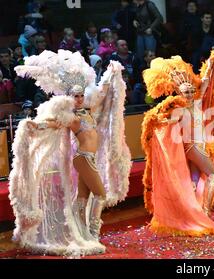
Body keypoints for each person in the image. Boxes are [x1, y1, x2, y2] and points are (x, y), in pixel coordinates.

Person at [10, 50, 132, 256]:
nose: (78, 98)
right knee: (100, 194)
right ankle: (93, 233)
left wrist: (112, 74)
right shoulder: (72, 117)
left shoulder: (89, 111)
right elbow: (54, 123)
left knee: (82, 198)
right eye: (75, 96)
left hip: (89, 158)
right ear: (69, 97)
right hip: (83, 158)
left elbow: (102, 94)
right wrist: (34, 125)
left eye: (81, 95)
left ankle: (80, 231)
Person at [140, 51, 214, 236]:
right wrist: (156, 121)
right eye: (187, 92)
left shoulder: (198, 101)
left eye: (192, 90)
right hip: (191, 147)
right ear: (179, 93)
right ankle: (205, 214)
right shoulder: (179, 108)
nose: (191, 93)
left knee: (192, 182)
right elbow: (165, 122)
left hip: (199, 147)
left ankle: (190, 214)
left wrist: (210, 62)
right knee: (213, 176)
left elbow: (206, 82)